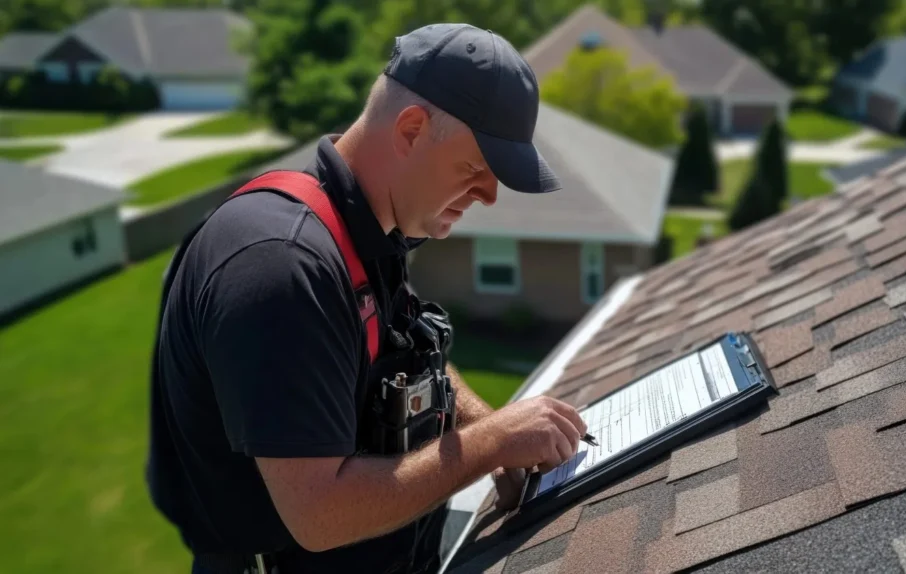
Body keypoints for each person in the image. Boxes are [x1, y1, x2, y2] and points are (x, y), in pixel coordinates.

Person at [145, 23, 588, 574]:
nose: (489, 195)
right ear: (411, 129)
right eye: (476, 169)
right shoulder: (283, 268)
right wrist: (494, 443)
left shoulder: (366, 230)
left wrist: (483, 425)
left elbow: (411, 353)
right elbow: (320, 513)